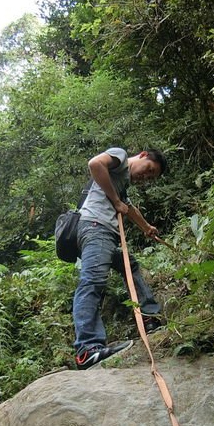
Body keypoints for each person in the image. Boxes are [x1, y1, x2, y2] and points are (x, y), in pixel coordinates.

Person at [73, 146, 167, 370]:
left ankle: (148, 316)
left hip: (102, 232)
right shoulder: (121, 156)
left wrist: (146, 227)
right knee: (93, 282)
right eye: (149, 169)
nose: (146, 176)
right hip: (97, 227)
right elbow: (95, 164)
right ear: (143, 155)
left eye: (151, 177)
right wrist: (115, 200)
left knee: (129, 265)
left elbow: (127, 207)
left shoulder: (121, 180)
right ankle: (87, 349)